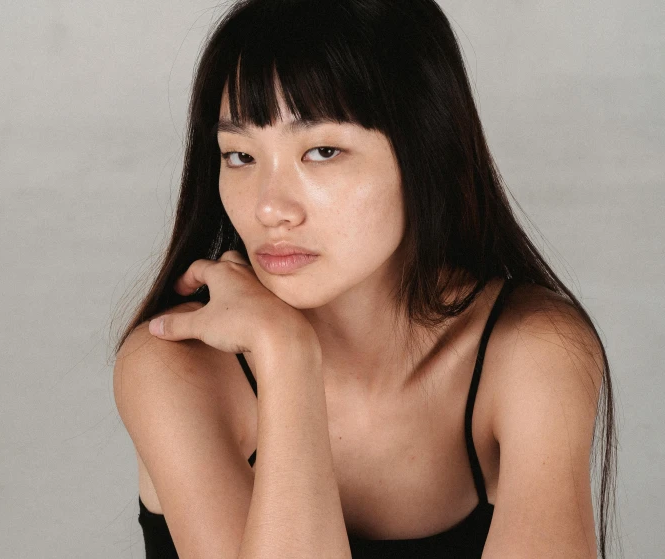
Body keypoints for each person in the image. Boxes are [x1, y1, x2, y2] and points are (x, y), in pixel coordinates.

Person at [111, 0, 617, 557]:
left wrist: (286, 355)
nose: (269, 208)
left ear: (426, 151)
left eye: (322, 151)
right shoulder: (175, 364)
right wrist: (287, 357)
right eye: (239, 156)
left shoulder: (532, 354)